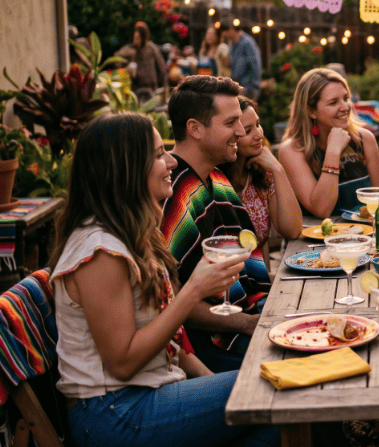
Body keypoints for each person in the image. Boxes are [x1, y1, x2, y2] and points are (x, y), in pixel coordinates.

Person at [49, 113, 278, 447]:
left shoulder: (135, 235)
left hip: (155, 392)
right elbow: (123, 362)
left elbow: (171, 341)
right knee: (269, 387)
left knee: (278, 416)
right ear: (125, 168)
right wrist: (193, 291)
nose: (171, 160)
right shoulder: (100, 251)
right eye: (158, 154)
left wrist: (212, 382)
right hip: (115, 413)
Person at [162, 75, 270, 373]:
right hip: (207, 346)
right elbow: (172, 302)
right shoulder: (172, 193)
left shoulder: (216, 178)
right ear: (194, 128)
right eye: (230, 123)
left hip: (243, 318)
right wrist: (249, 323)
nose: (240, 132)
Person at [279, 68, 379, 218]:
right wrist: (333, 152)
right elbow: (322, 209)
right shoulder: (292, 150)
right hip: (317, 238)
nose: (345, 107)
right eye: (333, 102)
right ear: (311, 111)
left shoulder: (365, 139)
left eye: (346, 98)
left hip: (365, 234)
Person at [220, 97, 303, 267]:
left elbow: (292, 230)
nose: (259, 134)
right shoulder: (216, 181)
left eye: (258, 124)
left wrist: (278, 170)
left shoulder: (261, 174)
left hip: (263, 286)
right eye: (248, 130)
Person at [115, 21, 168, 101]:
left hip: (151, 86)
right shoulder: (129, 49)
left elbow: (162, 67)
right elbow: (117, 58)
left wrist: (165, 86)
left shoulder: (151, 48)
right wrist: (125, 68)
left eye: (137, 38)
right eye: (134, 38)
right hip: (136, 86)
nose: (135, 41)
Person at [220, 17, 262, 100]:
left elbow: (255, 64)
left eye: (224, 31)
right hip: (237, 86)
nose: (223, 34)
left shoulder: (247, 43)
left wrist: (254, 86)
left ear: (231, 29)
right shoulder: (232, 44)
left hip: (248, 87)